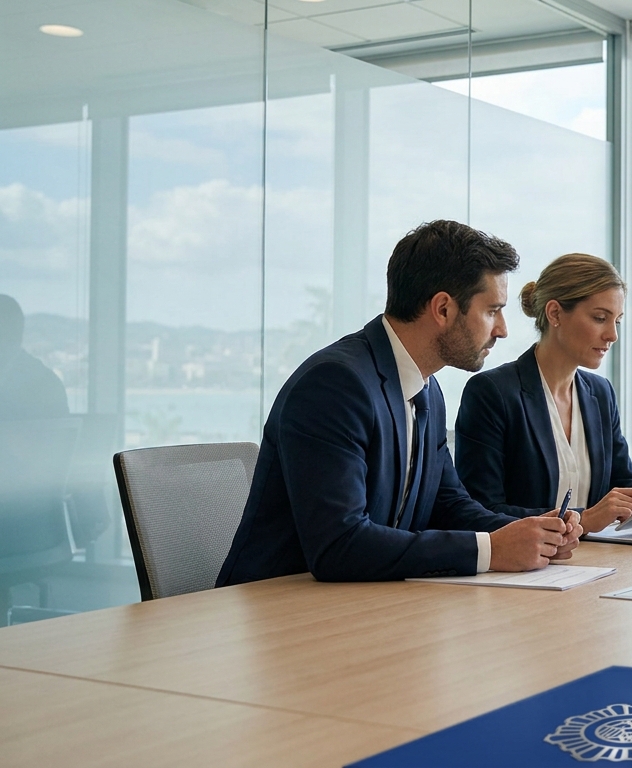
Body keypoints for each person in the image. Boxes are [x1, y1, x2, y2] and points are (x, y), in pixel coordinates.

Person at [218, 221, 582, 586]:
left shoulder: (427, 389)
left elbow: (448, 505)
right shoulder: (335, 385)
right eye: (492, 311)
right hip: (279, 613)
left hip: (363, 605)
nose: (502, 329)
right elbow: (339, 545)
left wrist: (533, 532)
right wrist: (489, 550)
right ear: (443, 309)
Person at [456, 253, 632, 534]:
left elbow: (623, 481)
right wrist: (582, 519)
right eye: (600, 318)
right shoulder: (492, 392)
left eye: (617, 321)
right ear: (555, 313)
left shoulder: (600, 393)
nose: (612, 335)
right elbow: (481, 509)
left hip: (595, 562)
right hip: (525, 569)